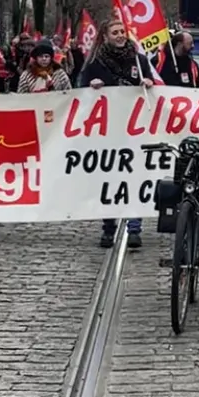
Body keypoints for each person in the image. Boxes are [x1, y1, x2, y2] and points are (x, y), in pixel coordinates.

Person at [79, 20, 156, 249]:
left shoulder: (140, 61)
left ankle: (134, 227)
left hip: (134, 130)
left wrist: (148, 83)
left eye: (123, 31)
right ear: (106, 36)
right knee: (110, 178)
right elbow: (79, 93)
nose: (121, 35)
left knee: (134, 176)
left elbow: (153, 92)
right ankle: (109, 226)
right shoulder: (95, 63)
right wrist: (90, 86)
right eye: (115, 32)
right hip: (107, 133)